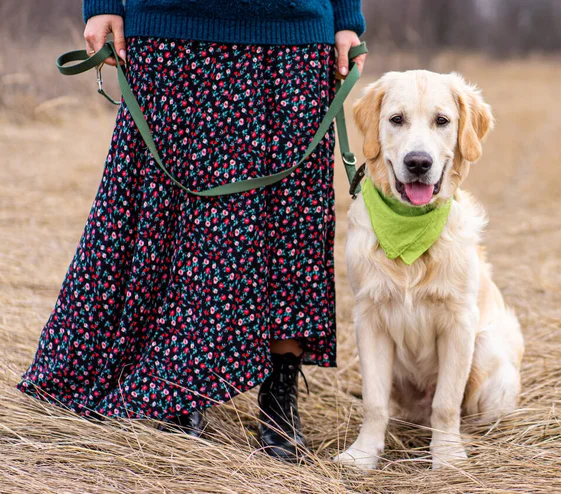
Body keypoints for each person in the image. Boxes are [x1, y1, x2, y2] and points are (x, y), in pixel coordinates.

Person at [17, 0, 366, 462]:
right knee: (166, 219)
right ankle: (174, 384)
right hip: (173, 27)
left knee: (290, 224)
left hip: (295, 37)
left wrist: (346, 18)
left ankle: (280, 393)